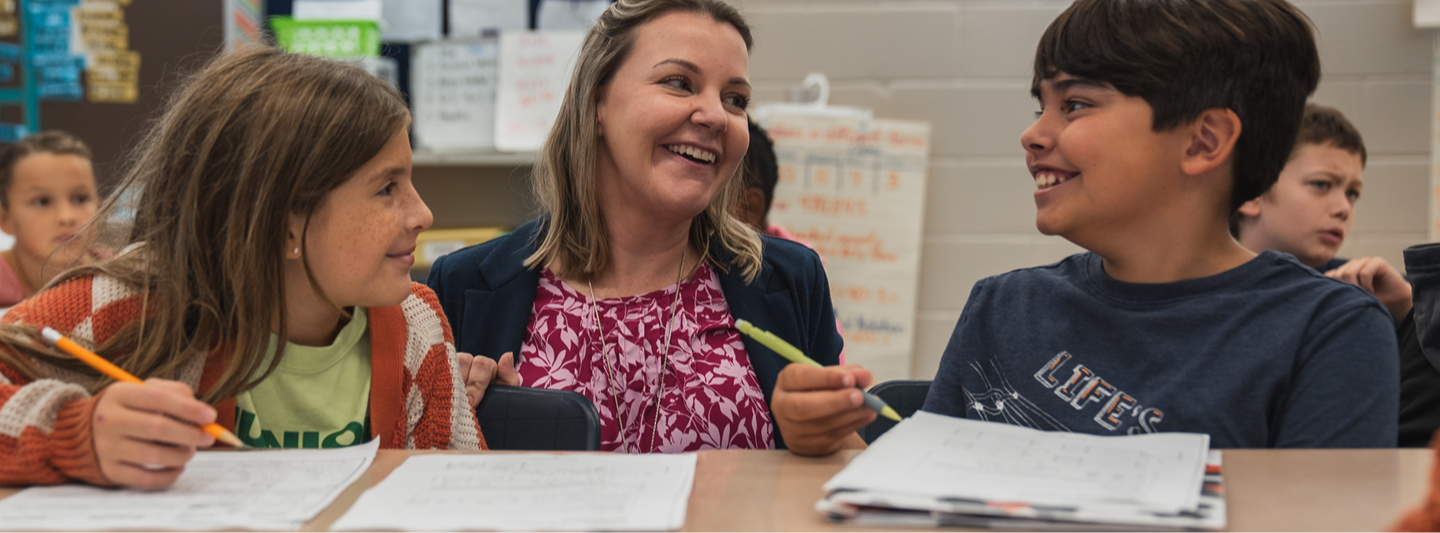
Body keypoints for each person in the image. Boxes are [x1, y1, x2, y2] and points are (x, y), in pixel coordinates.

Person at [0, 47, 483, 489]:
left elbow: (466, 495)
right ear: (283, 222)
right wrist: (78, 435)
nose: (423, 215)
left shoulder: (416, 324)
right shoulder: (133, 303)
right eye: (386, 189)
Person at [922, 0, 1398, 448]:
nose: (1032, 134)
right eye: (1039, 107)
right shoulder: (1002, 306)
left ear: (1203, 141)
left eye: (1075, 104)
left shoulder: (1330, 331)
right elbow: (914, 493)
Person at [429, 0, 872, 456]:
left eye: (735, 99)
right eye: (679, 83)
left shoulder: (788, 279)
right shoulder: (463, 286)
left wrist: (819, 441)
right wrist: (466, 430)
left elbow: (847, 476)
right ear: (596, 101)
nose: (716, 116)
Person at [1233, 103, 1412, 321]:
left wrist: (1408, 315)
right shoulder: (1195, 287)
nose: (1344, 208)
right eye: (1321, 184)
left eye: (1352, 193)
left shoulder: (1378, 290)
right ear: (1252, 193)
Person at [0, 131, 100, 307]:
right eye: (42, 201)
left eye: (80, 199)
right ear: (5, 219)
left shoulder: (125, 278)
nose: (66, 217)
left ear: (100, 207)